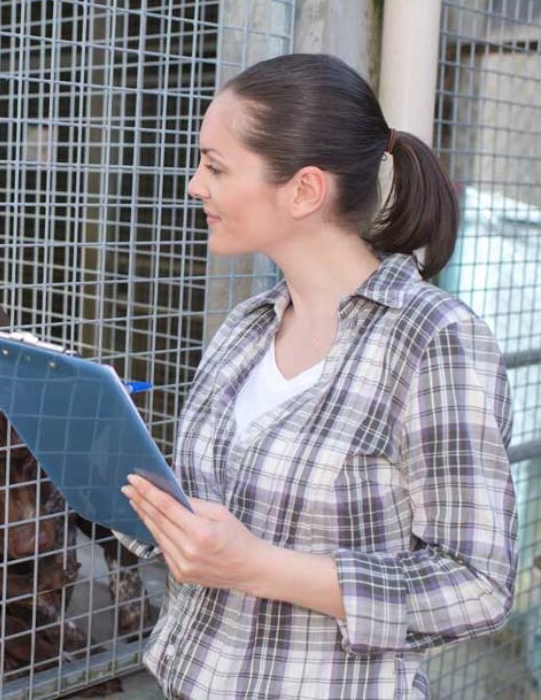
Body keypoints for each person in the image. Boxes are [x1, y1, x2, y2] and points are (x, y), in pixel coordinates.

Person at [114, 53, 519, 699]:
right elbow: (204, 523)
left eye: (215, 166)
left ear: (304, 189)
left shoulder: (435, 340)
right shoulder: (245, 328)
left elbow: (476, 587)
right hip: (188, 679)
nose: (194, 185)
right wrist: (109, 467)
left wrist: (259, 568)